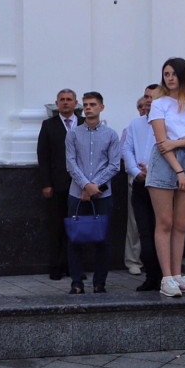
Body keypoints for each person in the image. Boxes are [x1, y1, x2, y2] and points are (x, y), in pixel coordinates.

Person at [145, 59, 185, 297]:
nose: (170, 78)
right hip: (165, 163)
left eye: (173, 74)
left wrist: (178, 142)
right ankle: (167, 277)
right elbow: (162, 143)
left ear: (183, 76)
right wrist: (178, 170)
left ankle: (178, 275)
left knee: (181, 225)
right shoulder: (159, 104)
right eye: (166, 74)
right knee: (165, 222)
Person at [64, 92, 120, 295]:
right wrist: (85, 185)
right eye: (86, 104)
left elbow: (114, 165)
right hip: (76, 194)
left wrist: (94, 186)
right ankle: (76, 283)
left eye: (93, 104)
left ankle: (100, 283)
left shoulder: (111, 135)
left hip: (102, 195)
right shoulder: (73, 134)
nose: (88, 108)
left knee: (102, 240)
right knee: (74, 239)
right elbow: (70, 163)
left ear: (101, 108)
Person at [36, 89, 83, 280]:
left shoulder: (83, 123)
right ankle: (56, 267)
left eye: (69, 100)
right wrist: (46, 183)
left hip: (81, 185)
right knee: (57, 227)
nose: (65, 103)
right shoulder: (49, 125)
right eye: (62, 100)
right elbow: (43, 156)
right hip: (57, 185)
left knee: (77, 227)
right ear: (57, 103)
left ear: (75, 103)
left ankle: (75, 268)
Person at [122, 85, 162, 291]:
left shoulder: (168, 122)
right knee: (144, 231)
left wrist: (153, 169)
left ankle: (165, 275)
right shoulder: (135, 124)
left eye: (152, 97)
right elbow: (127, 149)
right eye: (146, 96)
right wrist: (136, 172)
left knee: (161, 231)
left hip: (162, 185)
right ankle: (151, 276)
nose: (148, 101)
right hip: (140, 183)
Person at [122, 95, 151, 276]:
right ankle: (133, 259)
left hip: (158, 178)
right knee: (134, 223)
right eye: (140, 105)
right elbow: (124, 152)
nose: (143, 108)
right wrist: (136, 171)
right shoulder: (133, 126)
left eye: (146, 104)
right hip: (137, 177)